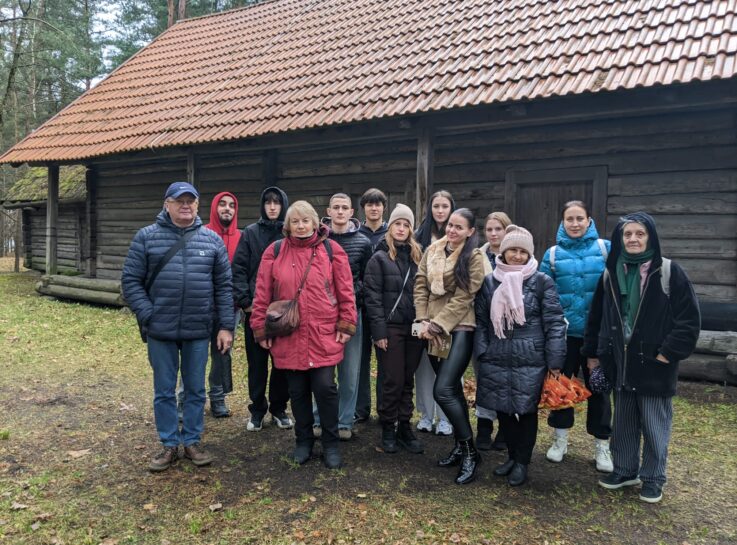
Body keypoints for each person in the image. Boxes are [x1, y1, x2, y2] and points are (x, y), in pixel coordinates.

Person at [584, 212, 700, 503]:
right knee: (623, 419)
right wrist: (595, 355)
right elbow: (598, 317)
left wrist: (666, 354)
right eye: (627, 235)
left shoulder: (670, 272)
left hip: (654, 362)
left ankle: (653, 477)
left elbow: (688, 321)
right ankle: (625, 470)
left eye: (639, 234)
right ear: (619, 240)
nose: (633, 239)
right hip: (620, 360)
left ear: (651, 237)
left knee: (654, 422)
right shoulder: (611, 273)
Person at [122, 182, 234, 472]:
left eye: (190, 201)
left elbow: (224, 288)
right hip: (161, 331)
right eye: (179, 201)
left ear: (197, 205)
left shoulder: (212, 241)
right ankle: (169, 443)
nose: (185, 206)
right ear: (166, 204)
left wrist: (224, 327)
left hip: (198, 330)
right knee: (164, 390)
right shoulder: (146, 238)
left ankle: (192, 441)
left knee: (196, 389)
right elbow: (130, 282)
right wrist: (150, 314)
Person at [250, 201, 357, 469]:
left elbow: (346, 291)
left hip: (323, 332)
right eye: (295, 221)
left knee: (325, 388)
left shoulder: (333, 251)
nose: (300, 226)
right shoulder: (274, 252)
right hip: (289, 333)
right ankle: (303, 442)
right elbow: (262, 293)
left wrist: (346, 323)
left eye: (305, 221)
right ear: (288, 225)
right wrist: (259, 327)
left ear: (314, 223)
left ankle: (331, 444)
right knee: (297, 391)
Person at [474, 225, 566, 487]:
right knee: (502, 408)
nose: (516, 256)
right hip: (497, 354)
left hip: (531, 356)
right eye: (512, 250)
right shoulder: (491, 281)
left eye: (522, 251)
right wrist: (482, 350)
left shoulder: (541, 281)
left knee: (525, 412)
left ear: (529, 254)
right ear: (502, 252)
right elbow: (481, 320)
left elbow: (555, 322)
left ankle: (523, 462)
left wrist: (555, 360)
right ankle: (512, 457)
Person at [539, 201, 613, 471]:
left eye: (579, 218)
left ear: (589, 220)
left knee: (600, 389)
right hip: (565, 334)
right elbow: (543, 293)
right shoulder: (553, 254)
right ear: (562, 222)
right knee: (560, 388)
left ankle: (602, 445)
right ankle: (560, 440)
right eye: (569, 219)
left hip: (598, 335)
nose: (575, 223)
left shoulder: (605, 249)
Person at [414, 208, 486, 484]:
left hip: (459, 328)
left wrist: (438, 323)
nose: (452, 230)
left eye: (459, 227)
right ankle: (459, 445)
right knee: (453, 389)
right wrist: (423, 319)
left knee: (442, 389)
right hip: (431, 328)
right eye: (450, 225)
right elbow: (420, 284)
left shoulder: (474, 257)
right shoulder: (432, 250)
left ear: (470, 231)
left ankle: (470, 451)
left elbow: (466, 295)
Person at [364, 204, 425, 454]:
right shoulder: (378, 258)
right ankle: (388, 425)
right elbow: (372, 297)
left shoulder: (418, 257)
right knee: (392, 379)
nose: (401, 228)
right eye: (398, 224)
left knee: (407, 379)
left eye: (406, 225)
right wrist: (379, 332)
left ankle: (404, 427)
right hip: (390, 328)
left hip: (414, 327)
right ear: (391, 227)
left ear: (411, 229)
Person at [231, 187, 293, 432]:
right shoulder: (250, 233)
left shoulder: (289, 234)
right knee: (256, 363)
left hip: (284, 312)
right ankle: (257, 409)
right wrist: (246, 303)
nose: (272, 207)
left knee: (282, 363)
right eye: (268, 202)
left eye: (277, 202)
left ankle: (278, 407)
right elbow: (238, 270)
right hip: (256, 311)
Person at [313, 193, 372, 440]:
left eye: (344, 208)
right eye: (335, 207)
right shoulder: (318, 240)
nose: (339, 211)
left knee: (350, 371)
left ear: (351, 212)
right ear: (328, 210)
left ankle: (345, 421)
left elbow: (367, 279)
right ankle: (319, 417)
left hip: (351, 312)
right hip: (322, 314)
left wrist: (346, 296)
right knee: (322, 371)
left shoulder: (363, 242)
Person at [413, 190, 455, 436]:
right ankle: (426, 414)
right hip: (422, 311)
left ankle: (446, 417)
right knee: (424, 367)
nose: (440, 210)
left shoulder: (457, 236)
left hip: (448, 313)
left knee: (448, 365)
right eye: (436, 206)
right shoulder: (419, 237)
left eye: (444, 206)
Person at [474, 211, 512, 451]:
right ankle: (484, 426)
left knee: (505, 377)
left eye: (499, 229)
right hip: (482, 324)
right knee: (484, 376)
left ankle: (506, 429)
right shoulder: (478, 256)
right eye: (490, 229)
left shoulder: (517, 256)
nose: (494, 233)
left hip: (509, 328)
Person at [356, 188, 389, 423]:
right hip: (360, 306)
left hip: (384, 309)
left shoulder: (392, 234)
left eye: (378, 204)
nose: (374, 208)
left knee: (386, 361)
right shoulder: (356, 234)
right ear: (364, 208)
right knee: (360, 360)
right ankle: (361, 409)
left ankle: (384, 408)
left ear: (383, 207)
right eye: (369, 204)